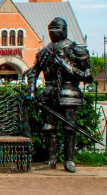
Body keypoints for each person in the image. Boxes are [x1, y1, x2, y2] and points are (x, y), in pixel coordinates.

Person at [26, 17, 93, 173]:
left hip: (69, 92)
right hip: (49, 93)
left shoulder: (76, 50)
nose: (52, 34)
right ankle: (51, 159)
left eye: (56, 30)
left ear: (63, 30)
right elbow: (33, 72)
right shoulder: (44, 52)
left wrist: (67, 67)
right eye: (50, 31)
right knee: (48, 127)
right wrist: (31, 90)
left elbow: (88, 76)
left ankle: (70, 160)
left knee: (69, 127)